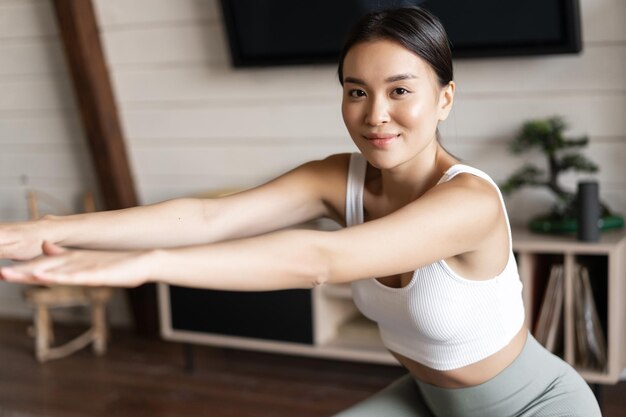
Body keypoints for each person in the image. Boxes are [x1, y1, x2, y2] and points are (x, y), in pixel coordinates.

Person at [0, 6, 602, 417]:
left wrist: (148, 264)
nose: (375, 115)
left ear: (444, 98)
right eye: (356, 91)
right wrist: (49, 231)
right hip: (428, 400)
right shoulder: (337, 177)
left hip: (534, 406)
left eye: (400, 90)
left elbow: (320, 258)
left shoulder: (468, 202)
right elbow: (212, 218)